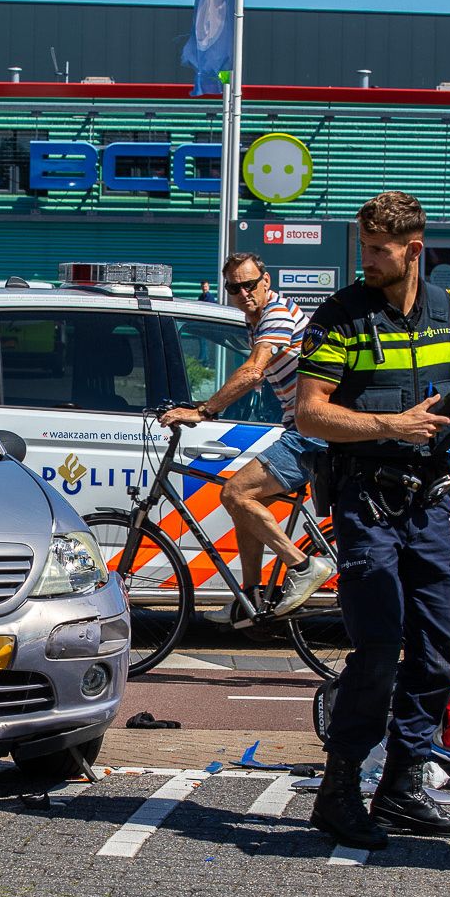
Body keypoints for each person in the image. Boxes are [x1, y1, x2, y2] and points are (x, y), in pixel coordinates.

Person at [293, 192, 450, 849]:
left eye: (378, 250)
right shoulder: (342, 316)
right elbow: (310, 414)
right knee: (379, 650)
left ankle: (403, 787)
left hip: (429, 504)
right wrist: (390, 425)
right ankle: (339, 790)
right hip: (367, 505)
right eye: (363, 246)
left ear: (414, 249)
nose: (366, 260)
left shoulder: (446, 312)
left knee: (439, 651)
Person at [158, 253, 333, 621]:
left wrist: (205, 412)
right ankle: (249, 599)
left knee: (234, 492)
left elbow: (254, 371)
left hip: (311, 431)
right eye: (234, 288)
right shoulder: (258, 322)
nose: (243, 293)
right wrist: (207, 400)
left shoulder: (277, 315)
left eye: (250, 284)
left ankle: (302, 566)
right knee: (245, 504)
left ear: (266, 282)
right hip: (300, 425)